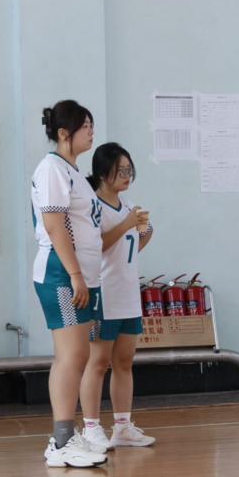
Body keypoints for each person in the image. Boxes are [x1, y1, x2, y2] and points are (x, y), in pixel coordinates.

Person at [33, 100, 108, 468]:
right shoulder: (52, 169)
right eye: (85, 126)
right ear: (64, 133)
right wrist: (76, 274)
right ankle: (61, 441)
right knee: (72, 355)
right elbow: (54, 225)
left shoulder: (74, 171)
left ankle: (68, 435)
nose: (91, 132)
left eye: (92, 125)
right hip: (61, 274)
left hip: (82, 275)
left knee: (80, 355)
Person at [78, 143, 157, 452]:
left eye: (129, 170)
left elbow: (129, 248)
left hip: (127, 295)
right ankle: (91, 428)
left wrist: (144, 231)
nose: (127, 176)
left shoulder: (128, 205)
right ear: (102, 173)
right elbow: (95, 246)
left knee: (124, 362)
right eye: (120, 170)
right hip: (103, 295)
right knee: (98, 362)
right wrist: (126, 225)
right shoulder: (92, 206)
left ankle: (122, 427)